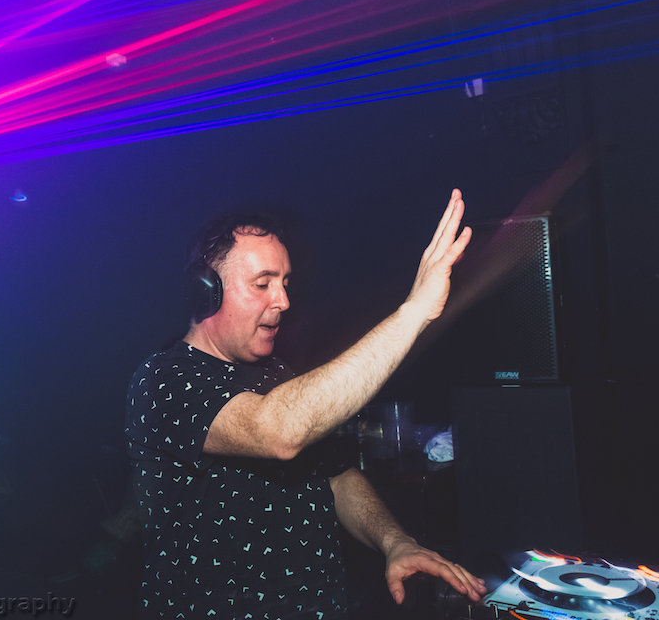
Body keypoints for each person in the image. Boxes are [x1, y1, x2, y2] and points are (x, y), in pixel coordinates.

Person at [125, 190, 486, 619]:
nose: (282, 301)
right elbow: (278, 431)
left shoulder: (278, 373)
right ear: (207, 292)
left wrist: (395, 542)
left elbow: (336, 476)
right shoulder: (164, 380)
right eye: (263, 284)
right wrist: (415, 311)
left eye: (285, 283)